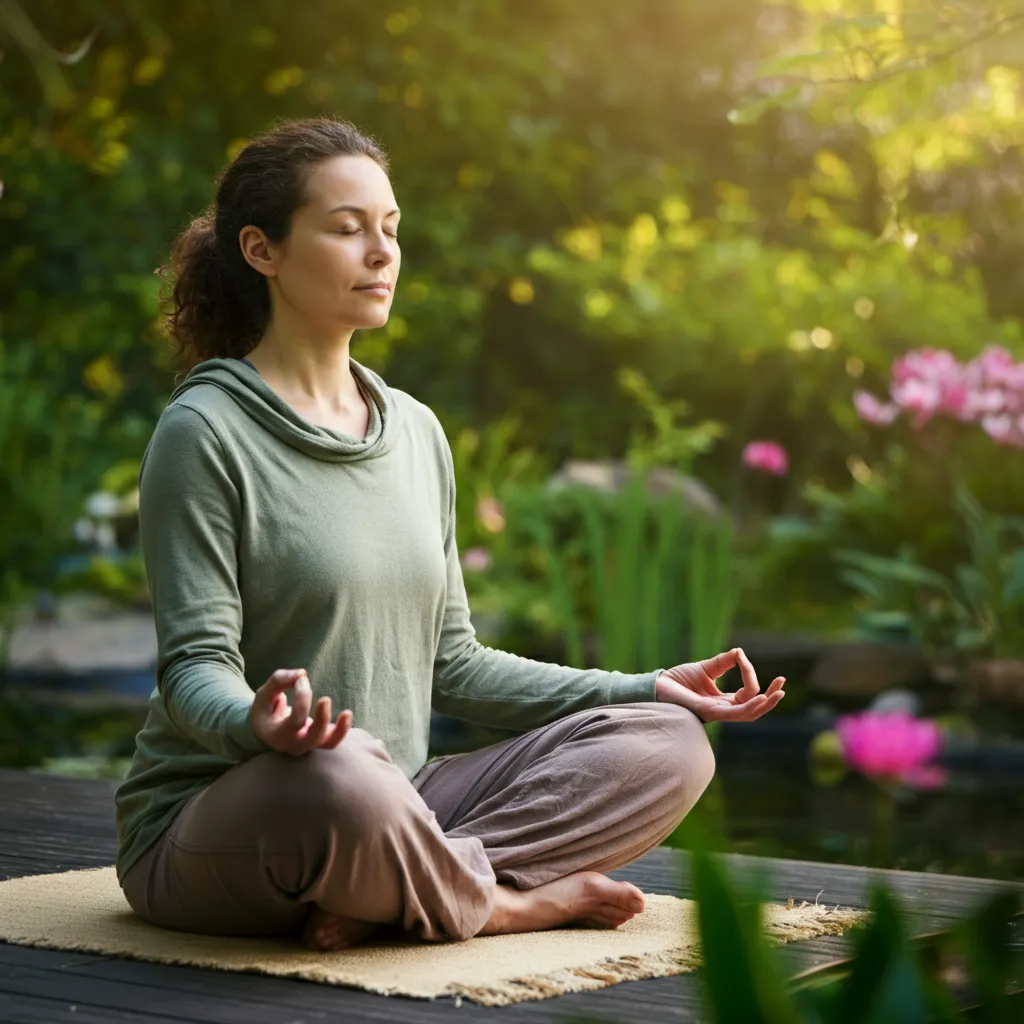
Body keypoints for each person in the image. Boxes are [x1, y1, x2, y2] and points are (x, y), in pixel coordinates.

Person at [114, 116, 786, 952]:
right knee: (342, 773)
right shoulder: (204, 432)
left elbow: (454, 665)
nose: (382, 252)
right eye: (347, 227)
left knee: (671, 746)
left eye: (391, 229)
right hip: (243, 811)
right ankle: (502, 904)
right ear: (263, 250)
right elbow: (192, 668)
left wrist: (643, 688)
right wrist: (260, 726)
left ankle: (398, 888)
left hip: (400, 798)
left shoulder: (417, 433)